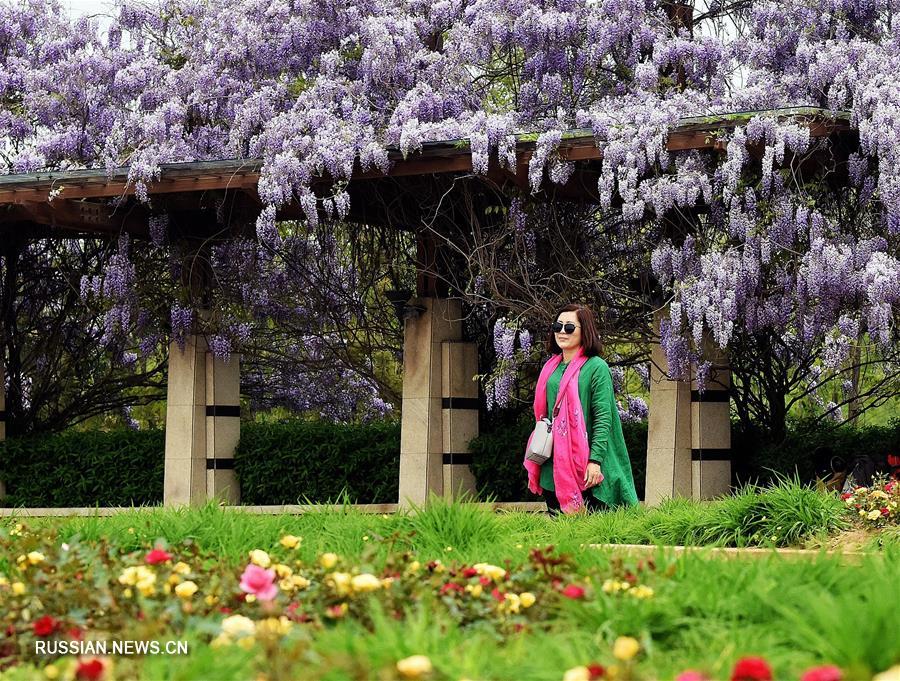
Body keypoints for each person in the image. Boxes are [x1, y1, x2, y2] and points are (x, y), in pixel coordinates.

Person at [523, 304, 639, 515]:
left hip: (587, 464)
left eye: (569, 327)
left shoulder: (596, 367)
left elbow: (604, 419)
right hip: (553, 464)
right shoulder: (551, 367)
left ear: (584, 331)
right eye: (558, 326)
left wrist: (595, 461)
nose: (561, 332)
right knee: (559, 535)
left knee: (595, 534)